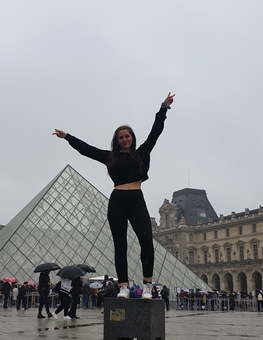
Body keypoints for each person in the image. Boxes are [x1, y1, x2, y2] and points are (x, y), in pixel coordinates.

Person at [53, 92, 174, 299]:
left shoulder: (143, 152)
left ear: (132, 138)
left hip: (137, 200)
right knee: (120, 245)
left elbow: (156, 131)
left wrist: (163, 107)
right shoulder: (110, 157)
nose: (125, 139)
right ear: (117, 141)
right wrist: (68, 137)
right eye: (121, 137)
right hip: (117, 201)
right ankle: (124, 286)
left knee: (146, 241)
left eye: (127, 136)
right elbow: (86, 150)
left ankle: (147, 285)